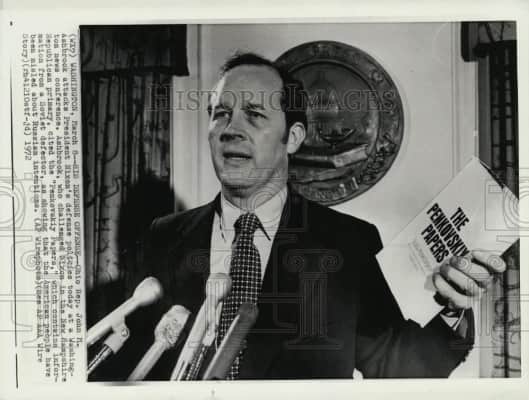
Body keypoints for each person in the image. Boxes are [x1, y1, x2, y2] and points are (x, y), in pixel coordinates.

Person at [92, 52, 505, 381]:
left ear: (292, 138)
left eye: (255, 115)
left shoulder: (349, 243)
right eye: (220, 113)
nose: (230, 129)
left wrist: (452, 310)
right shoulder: (163, 236)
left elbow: (396, 365)